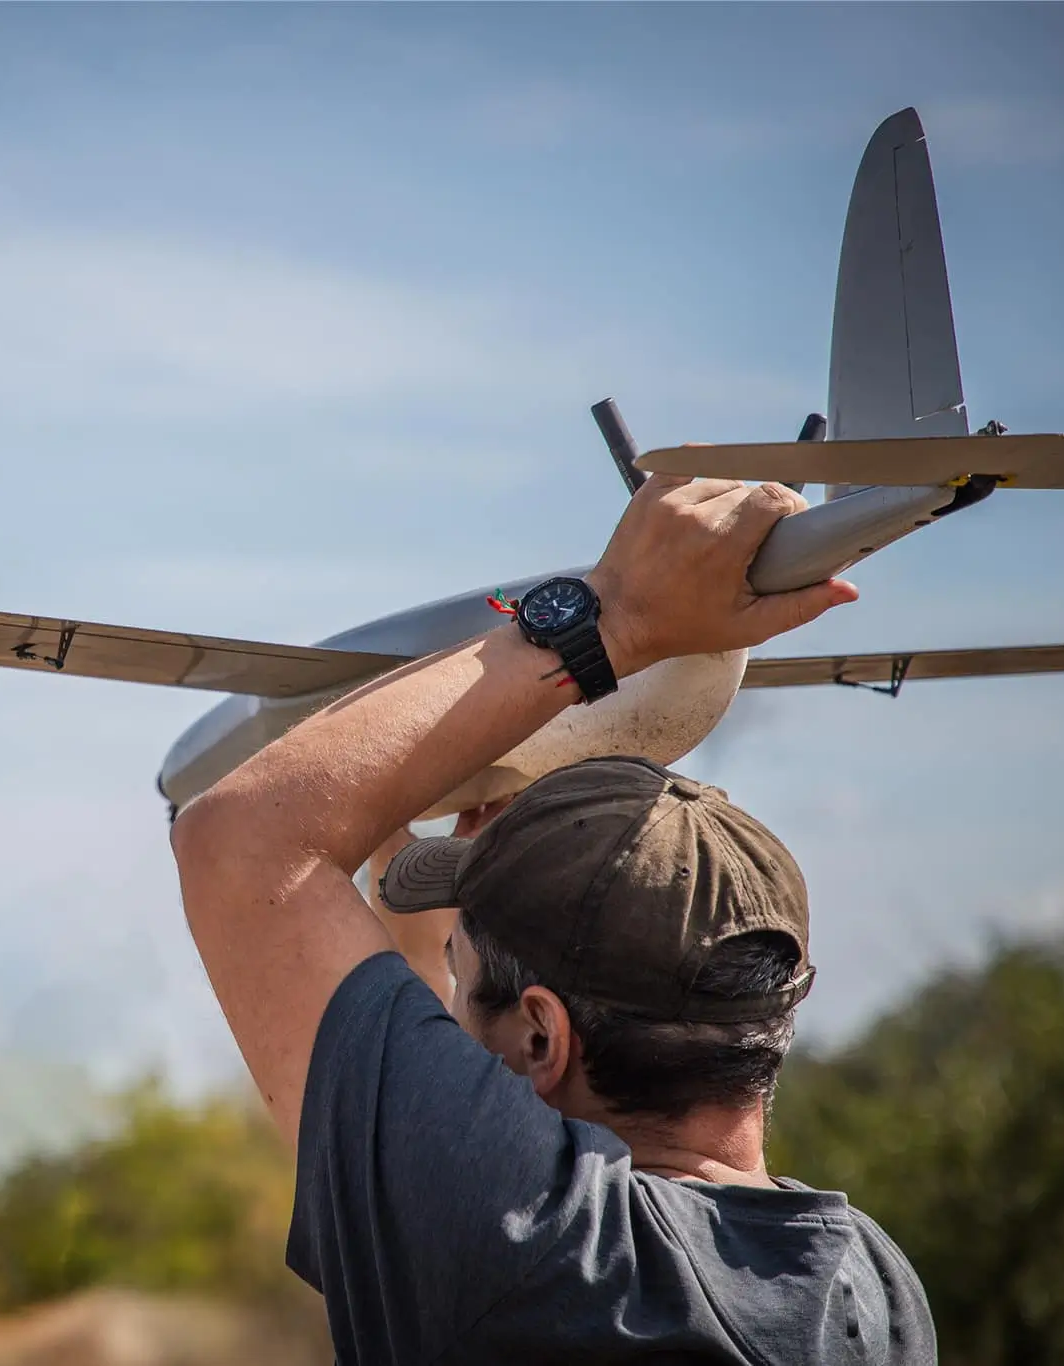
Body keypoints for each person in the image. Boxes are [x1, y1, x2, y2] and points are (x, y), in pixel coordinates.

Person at [170, 473, 934, 1364]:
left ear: (541, 1038)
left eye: (467, 990)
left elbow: (239, 845)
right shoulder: (870, 1286)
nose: (444, 1025)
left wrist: (615, 615)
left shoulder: (536, 1244)